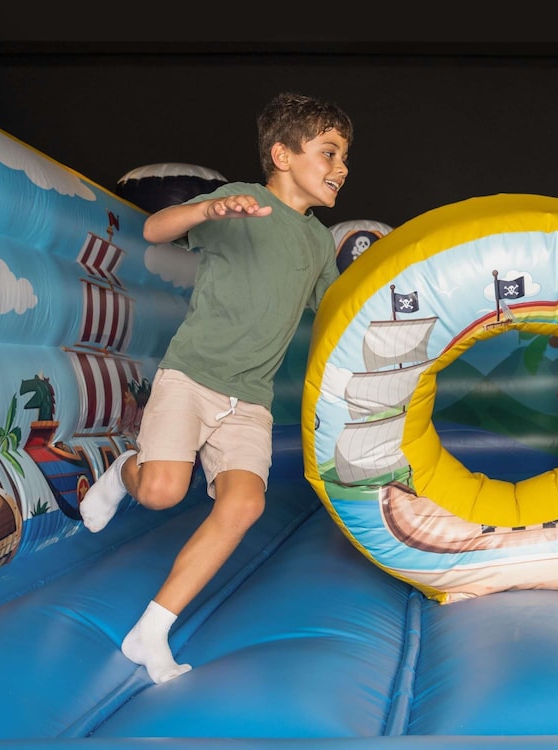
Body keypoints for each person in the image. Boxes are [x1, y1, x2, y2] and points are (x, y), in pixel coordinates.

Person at [79, 91, 353, 683]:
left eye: (344, 157)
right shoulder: (244, 202)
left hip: (251, 398)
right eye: (329, 152)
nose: (342, 167)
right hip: (193, 376)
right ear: (282, 155)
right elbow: (155, 228)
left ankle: (151, 630)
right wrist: (210, 209)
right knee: (160, 493)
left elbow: (335, 307)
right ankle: (126, 471)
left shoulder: (316, 242)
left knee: (244, 503)